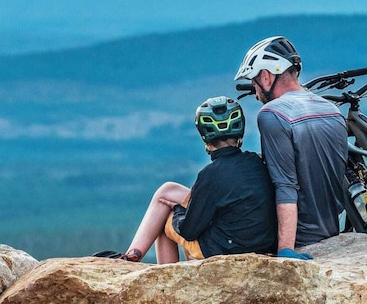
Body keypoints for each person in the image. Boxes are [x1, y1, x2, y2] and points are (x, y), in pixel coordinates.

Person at [116, 96, 278, 264]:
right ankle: (133, 253)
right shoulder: (256, 162)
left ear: (205, 137)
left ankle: (137, 259)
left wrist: (178, 211)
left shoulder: (210, 175)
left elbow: (189, 231)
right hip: (261, 242)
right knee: (168, 190)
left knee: (163, 221)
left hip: (226, 247)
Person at [234, 36, 348, 260]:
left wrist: (286, 249)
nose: (256, 93)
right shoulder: (332, 110)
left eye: (254, 83)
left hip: (301, 238)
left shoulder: (273, 114)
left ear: (266, 76)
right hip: (331, 230)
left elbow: (285, 184)